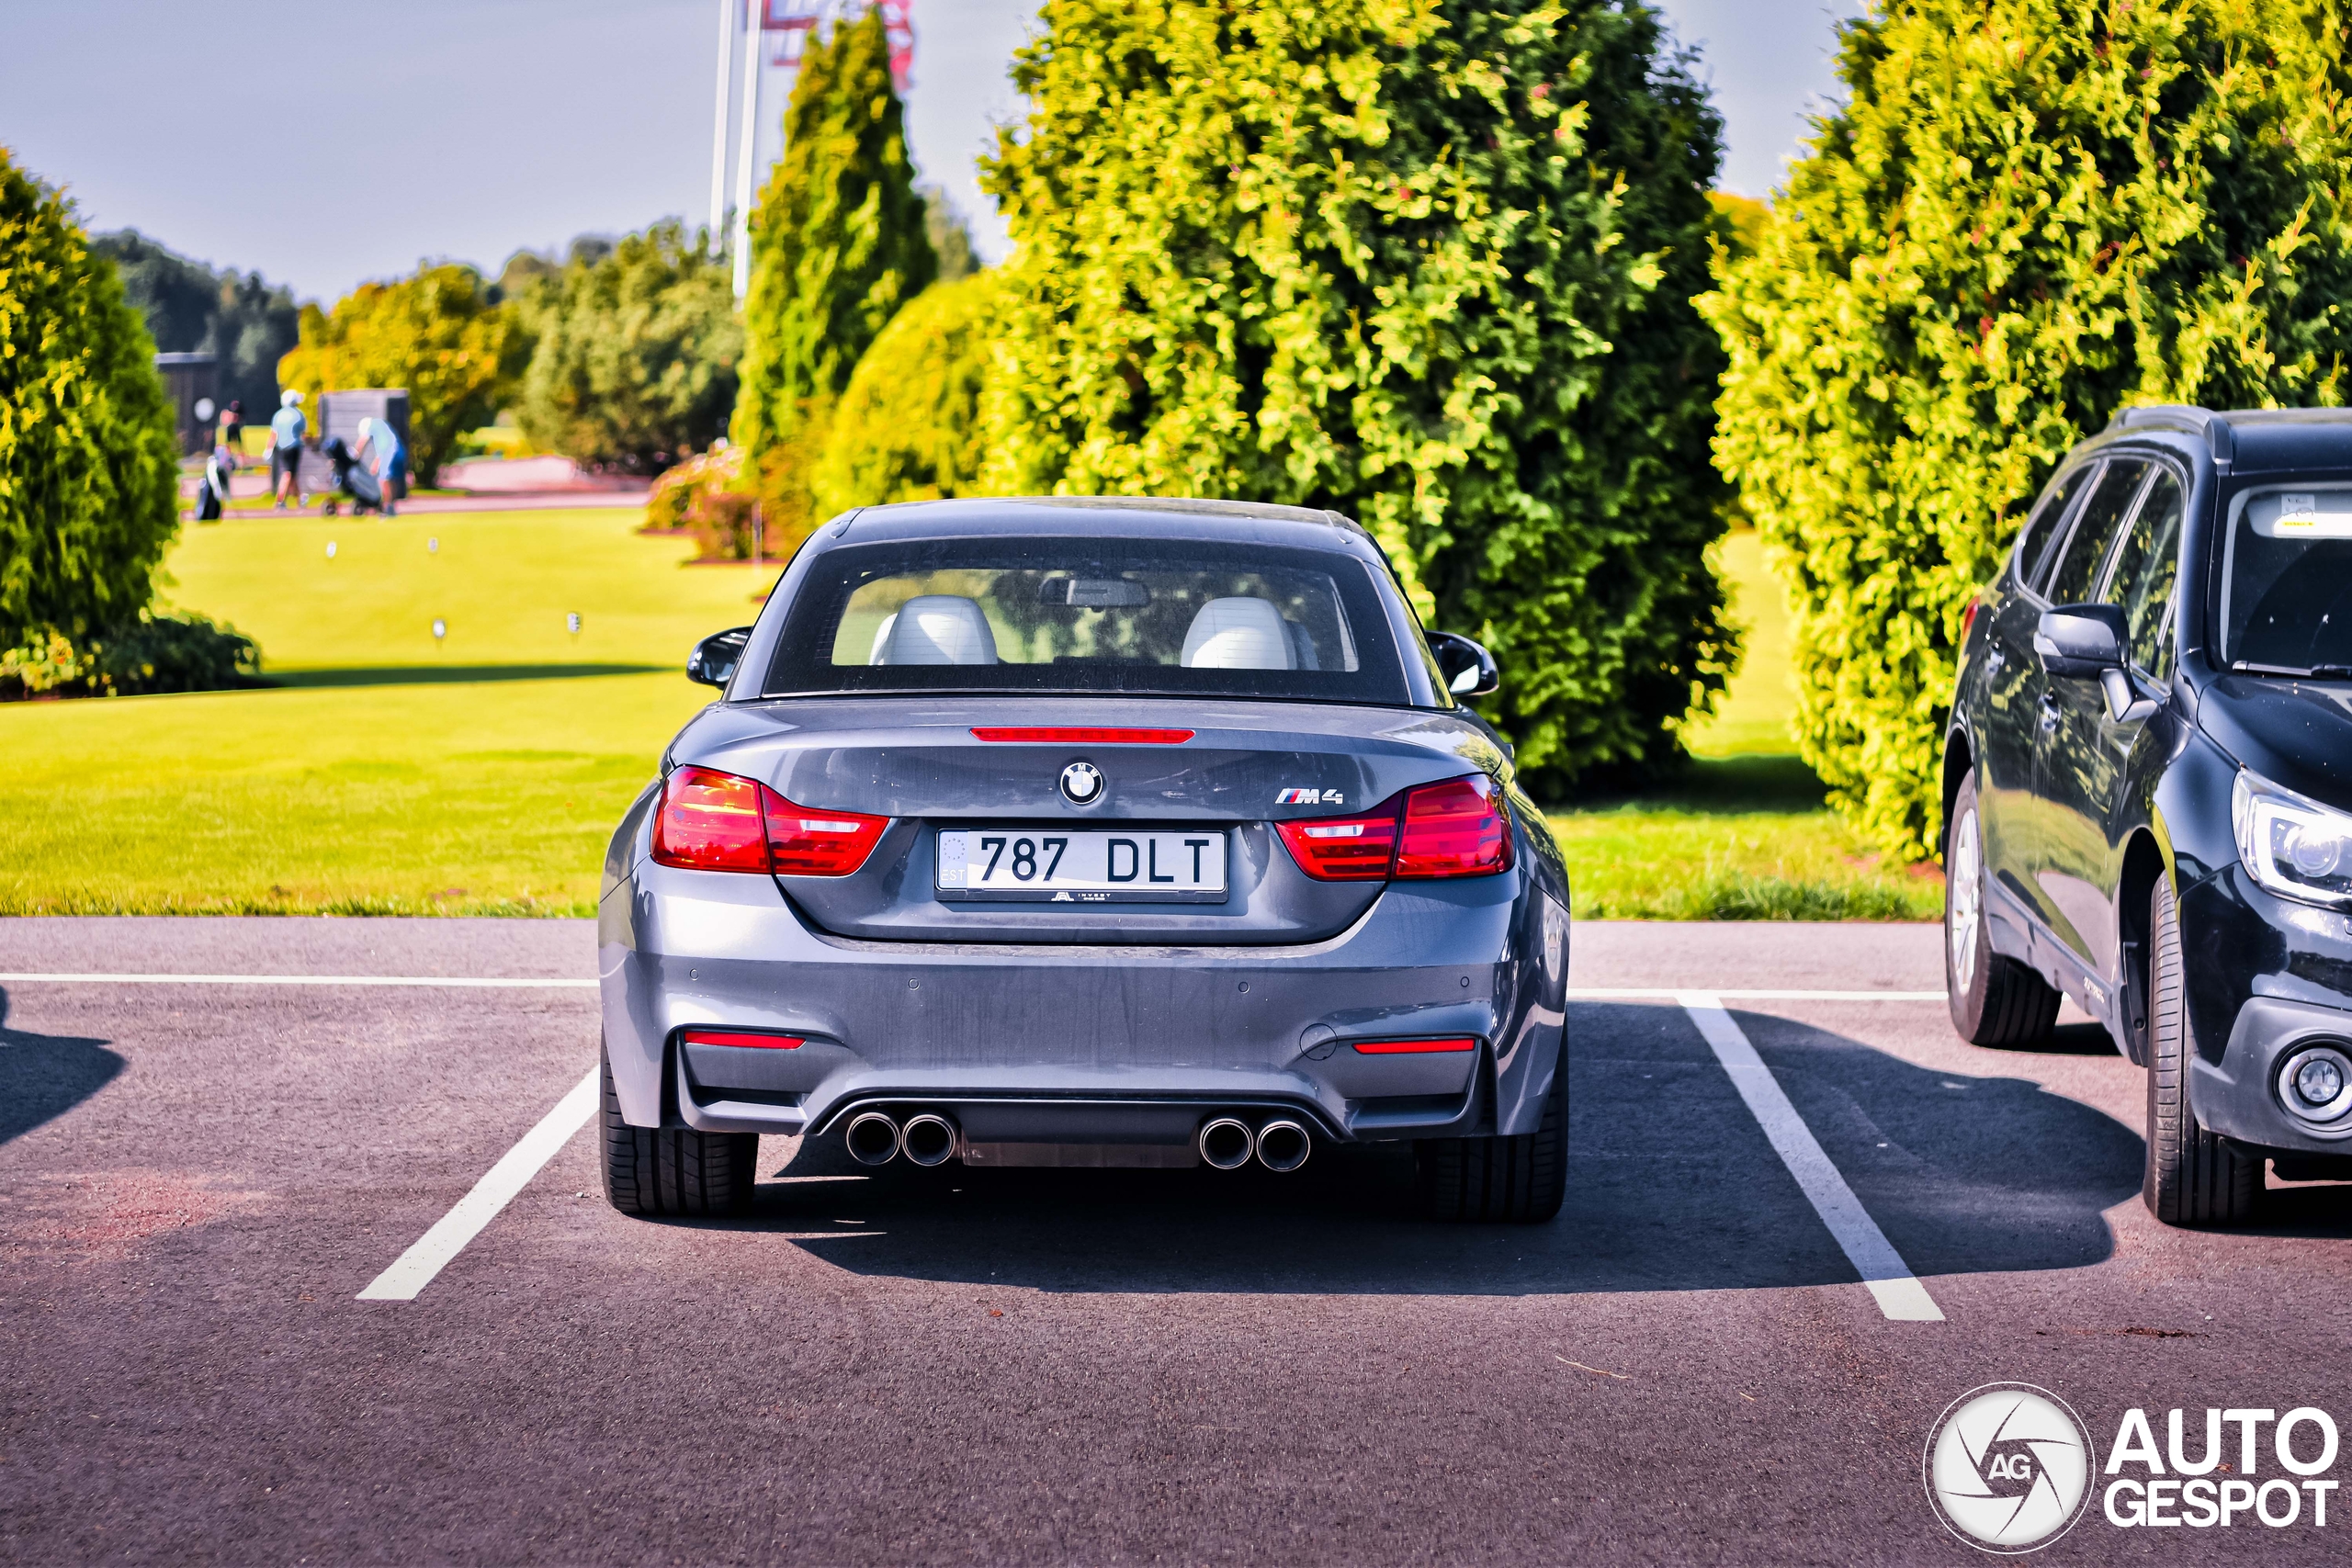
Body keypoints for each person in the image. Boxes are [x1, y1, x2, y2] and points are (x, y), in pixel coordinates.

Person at [356, 416, 403, 517]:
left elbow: (362, 442)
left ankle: (387, 508)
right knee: (391, 480)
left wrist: (355, 456)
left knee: (384, 479)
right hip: (400, 450)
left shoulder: (372, 426)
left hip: (390, 451)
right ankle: (391, 508)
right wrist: (376, 462)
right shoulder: (381, 424)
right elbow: (385, 444)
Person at [269, 389, 307, 510]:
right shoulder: (298, 414)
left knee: (292, 473)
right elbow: (303, 433)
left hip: (281, 447)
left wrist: (268, 449)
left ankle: (299, 499)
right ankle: (280, 500)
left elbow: (273, 434)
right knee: (289, 473)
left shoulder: (278, 415)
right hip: (294, 447)